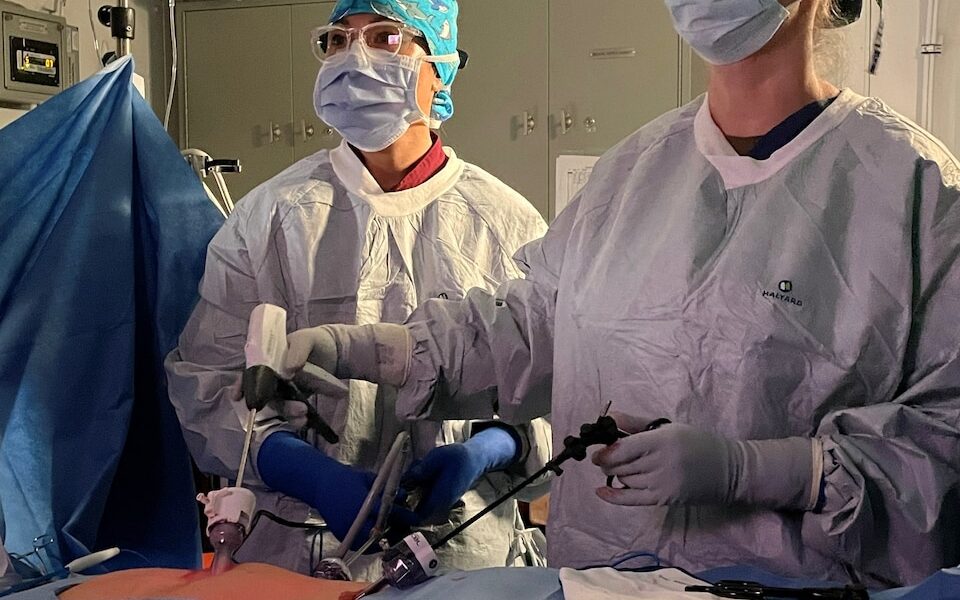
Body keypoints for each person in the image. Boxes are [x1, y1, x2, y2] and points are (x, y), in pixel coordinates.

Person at [283, 0, 960, 588]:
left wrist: (769, 470)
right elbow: (535, 325)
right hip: (596, 579)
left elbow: (945, 444)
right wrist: (372, 348)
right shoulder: (632, 173)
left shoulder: (915, 193)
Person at [165, 0, 551, 579]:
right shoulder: (270, 217)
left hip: (462, 549)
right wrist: (299, 467)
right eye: (337, 40)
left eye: (386, 37)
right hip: (294, 554)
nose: (355, 56)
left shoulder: (505, 224)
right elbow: (209, 383)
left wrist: (490, 448)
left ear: (439, 65)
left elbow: (553, 385)